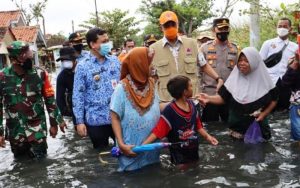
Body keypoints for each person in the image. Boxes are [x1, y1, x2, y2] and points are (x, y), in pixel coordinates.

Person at [0, 41, 66, 158]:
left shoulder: (40, 74)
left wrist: (55, 123)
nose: (30, 57)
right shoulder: (2, 77)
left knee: (41, 164)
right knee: (21, 167)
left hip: (37, 130)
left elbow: (50, 99)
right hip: (15, 131)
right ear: (15, 59)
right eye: (26, 56)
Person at [198, 47, 278, 140]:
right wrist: (208, 98)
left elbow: (274, 99)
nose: (242, 63)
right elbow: (223, 98)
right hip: (236, 131)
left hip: (258, 131)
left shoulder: (265, 81)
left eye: (246, 61)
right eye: (240, 60)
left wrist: (264, 113)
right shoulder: (234, 79)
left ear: (255, 62)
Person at [150, 11, 223, 104]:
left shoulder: (192, 44)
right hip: (167, 101)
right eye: (167, 25)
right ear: (161, 27)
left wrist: (218, 78)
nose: (170, 27)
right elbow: (152, 77)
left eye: (173, 24)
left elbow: (203, 65)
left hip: (192, 99)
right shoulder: (154, 49)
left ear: (177, 24)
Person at [142, 75, 218, 165]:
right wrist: (142, 146)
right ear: (185, 92)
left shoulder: (192, 105)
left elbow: (198, 125)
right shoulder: (170, 111)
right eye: (190, 86)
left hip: (193, 151)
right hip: (178, 156)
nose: (192, 88)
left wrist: (208, 137)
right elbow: (158, 131)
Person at [110, 47, 160, 171]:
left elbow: (158, 105)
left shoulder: (152, 83)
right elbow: (114, 117)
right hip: (130, 148)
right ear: (139, 65)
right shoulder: (121, 88)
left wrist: (177, 104)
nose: (152, 67)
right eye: (148, 63)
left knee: (153, 175)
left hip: (152, 147)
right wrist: (121, 145)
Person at [73, 28, 121, 149]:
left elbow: (123, 87)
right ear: (93, 44)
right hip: (96, 120)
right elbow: (78, 95)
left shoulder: (115, 61)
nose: (107, 44)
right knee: (101, 156)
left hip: (118, 117)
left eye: (108, 40)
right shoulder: (83, 66)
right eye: (104, 41)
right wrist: (79, 121)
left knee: (123, 151)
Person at [200, 18, 239, 122]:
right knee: (210, 125)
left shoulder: (235, 49)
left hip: (229, 95)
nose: (223, 32)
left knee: (229, 124)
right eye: (220, 29)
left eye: (226, 29)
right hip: (210, 94)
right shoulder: (204, 48)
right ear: (214, 30)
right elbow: (199, 71)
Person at [260, 18, 298, 111]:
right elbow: (259, 62)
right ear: (276, 28)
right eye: (279, 26)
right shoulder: (268, 43)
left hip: (286, 82)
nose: (282, 28)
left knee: (285, 109)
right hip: (270, 82)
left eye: (285, 26)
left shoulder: (295, 47)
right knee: (268, 109)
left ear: (290, 28)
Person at [56, 47, 77, 125]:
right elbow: (59, 98)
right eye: (62, 60)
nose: (65, 62)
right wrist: (61, 118)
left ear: (74, 59)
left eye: (67, 60)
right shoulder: (62, 76)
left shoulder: (85, 69)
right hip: (75, 110)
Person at [281, 53, 300, 141]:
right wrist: (296, 62)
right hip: (297, 104)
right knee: (297, 134)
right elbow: (285, 82)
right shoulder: (294, 62)